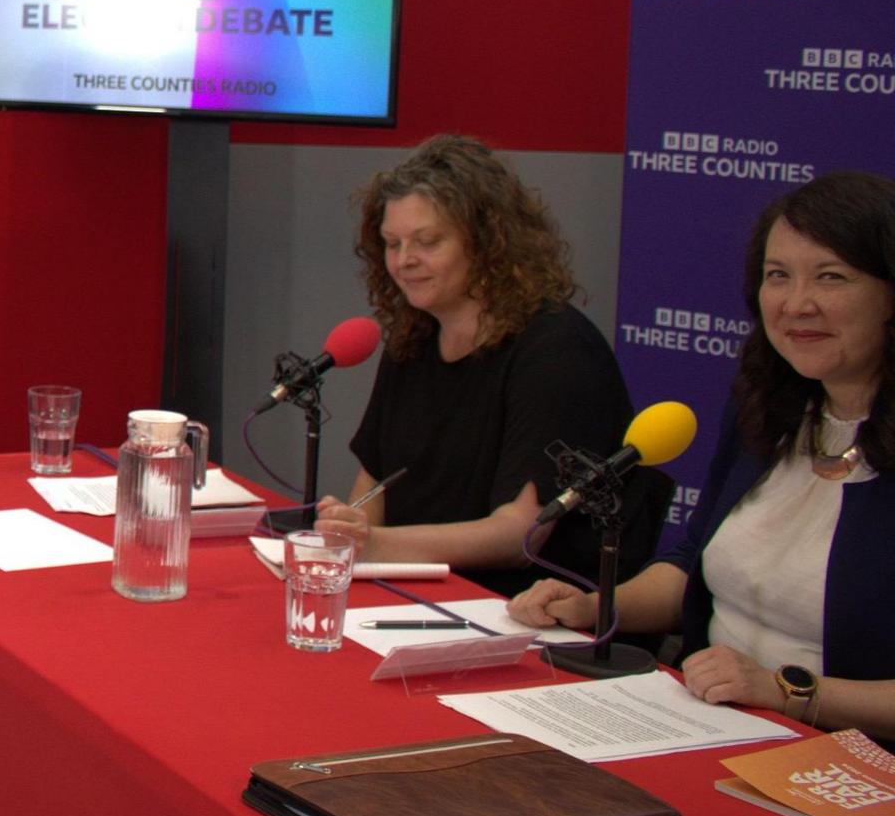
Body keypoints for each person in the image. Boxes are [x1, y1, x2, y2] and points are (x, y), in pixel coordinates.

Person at [511, 173, 895, 738]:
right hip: (710, 722)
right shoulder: (766, 408)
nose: (796, 304)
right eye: (777, 276)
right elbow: (695, 563)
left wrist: (783, 690)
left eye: (831, 278)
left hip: (850, 761)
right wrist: (598, 606)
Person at [313, 134, 632, 594]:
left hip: (519, 606)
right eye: (391, 243)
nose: (404, 261)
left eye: (427, 241)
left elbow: (519, 533)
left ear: (486, 243)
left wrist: (377, 544)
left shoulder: (556, 350)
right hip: (408, 586)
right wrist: (350, 532)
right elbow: (374, 480)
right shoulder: (414, 334)